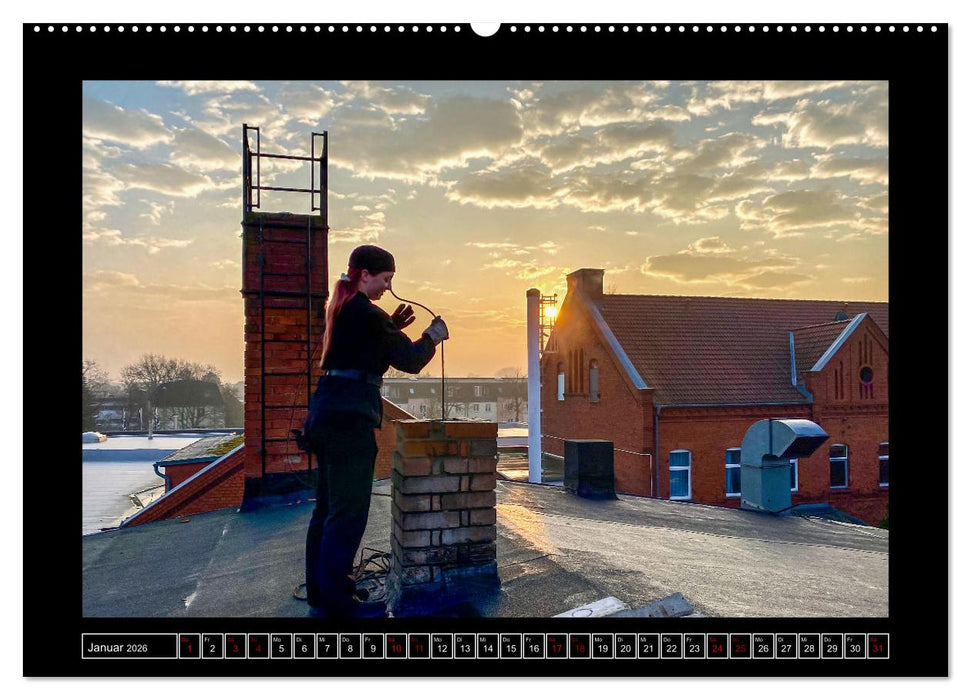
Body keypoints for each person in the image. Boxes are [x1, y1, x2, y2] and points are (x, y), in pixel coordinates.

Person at [304, 244, 448, 618]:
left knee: (327, 510)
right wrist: (432, 335)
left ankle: (323, 592)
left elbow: (362, 348)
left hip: (326, 415)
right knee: (348, 513)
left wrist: (393, 326)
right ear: (365, 274)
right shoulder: (367, 314)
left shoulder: (343, 306)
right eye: (385, 279)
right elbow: (411, 360)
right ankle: (339, 604)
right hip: (350, 420)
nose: (388, 287)